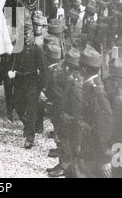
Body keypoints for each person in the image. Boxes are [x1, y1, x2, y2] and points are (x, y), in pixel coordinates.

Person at [8, 22, 46, 149]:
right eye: (22, 35)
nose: (24, 37)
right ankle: (30, 124)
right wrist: (11, 71)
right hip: (19, 80)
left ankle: (30, 137)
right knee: (18, 105)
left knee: (31, 109)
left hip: (32, 81)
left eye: (27, 34)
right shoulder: (17, 47)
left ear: (31, 35)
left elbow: (43, 70)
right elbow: (12, 61)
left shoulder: (37, 49)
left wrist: (41, 87)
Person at [78, 46, 113, 178]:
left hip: (96, 152)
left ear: (84, 69)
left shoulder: (96, 91)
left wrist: (105, 159)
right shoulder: (91, 86)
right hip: (90, 147)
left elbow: (105, 126)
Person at [48, 48, 83, 177]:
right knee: (64, 141)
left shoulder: (74, 82)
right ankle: (63, 164)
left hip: (71, 121)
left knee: (68, 143)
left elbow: (77, 110)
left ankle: (65, 166)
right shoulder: (71, 80)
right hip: (67, 118)